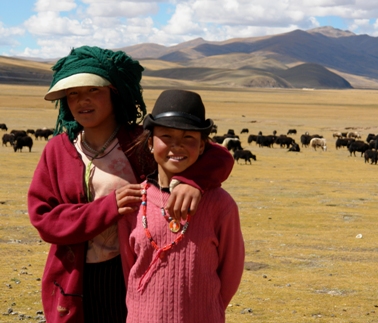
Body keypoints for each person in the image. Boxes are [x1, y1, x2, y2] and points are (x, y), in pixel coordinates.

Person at [27, 46, 234, 323]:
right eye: (73, 93)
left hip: (131, 273)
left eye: (94, 91)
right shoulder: (57, 150)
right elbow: (44, 220)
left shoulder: (141, 143)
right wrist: (107, 208)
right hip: (72, 276)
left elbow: (218, 155)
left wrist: (191, 181)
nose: (82, 101)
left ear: (115, 93)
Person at [124, 89, 245, 323]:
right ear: (150, 142)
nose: (176, 146)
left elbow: (230, 272)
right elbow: (129, 269)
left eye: (188, 138)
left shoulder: (220, 205)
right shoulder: (135, 201)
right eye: (166, 136)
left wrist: (208, 308)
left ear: (202, 147)